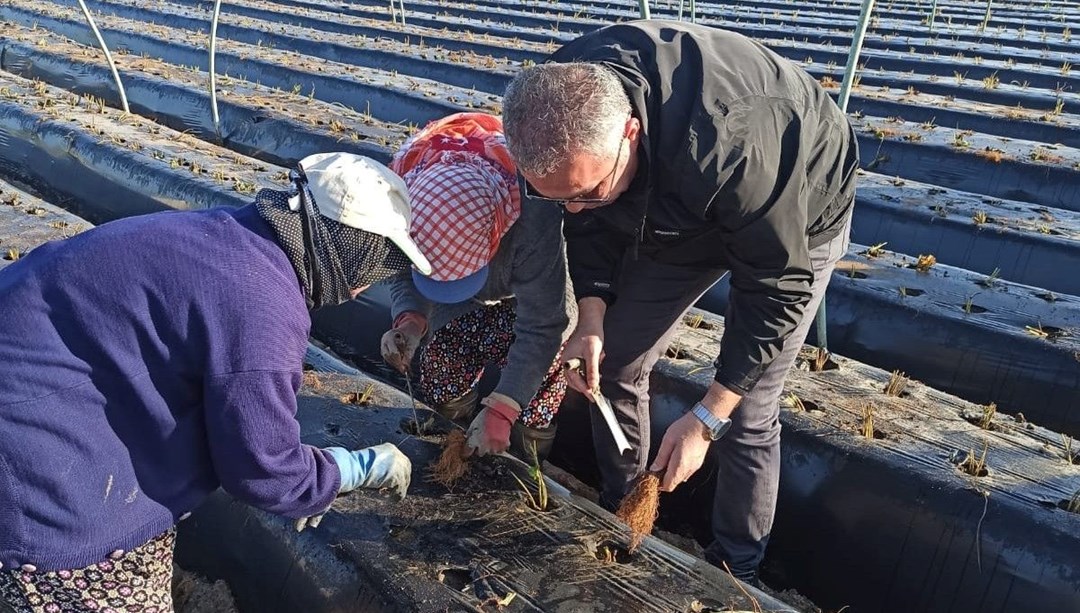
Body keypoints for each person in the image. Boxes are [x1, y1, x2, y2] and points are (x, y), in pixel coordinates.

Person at [502, 21, 859, 582]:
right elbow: (585, 216)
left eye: (589, 192)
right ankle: (626, 510)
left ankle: (735, 569)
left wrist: (708, 417)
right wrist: (591, 311)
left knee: (750, 408)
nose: (571, 210)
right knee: (614, 360)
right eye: (556, 197)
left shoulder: (730, 145)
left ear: (629, 132)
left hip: (795, 213)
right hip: (668, 205)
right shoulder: (558, 98)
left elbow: (776, 286)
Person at [0, 153, 431, 612]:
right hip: (37, 461)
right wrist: (352, 469)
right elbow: (262, 468)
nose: (360, 289)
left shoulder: (227, 234)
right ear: (349, 247)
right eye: (372, 265)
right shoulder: (263, 308)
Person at [379, 112, 572, 463]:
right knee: (441, 363)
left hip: (526, 298)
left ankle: (525, 462)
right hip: (463, 304)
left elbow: (543, 324)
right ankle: (458, 444)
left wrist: (504, 407)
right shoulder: (402, 193)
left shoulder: (534, 213)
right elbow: (402, 268)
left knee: (542, 379)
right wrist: (409, 319)